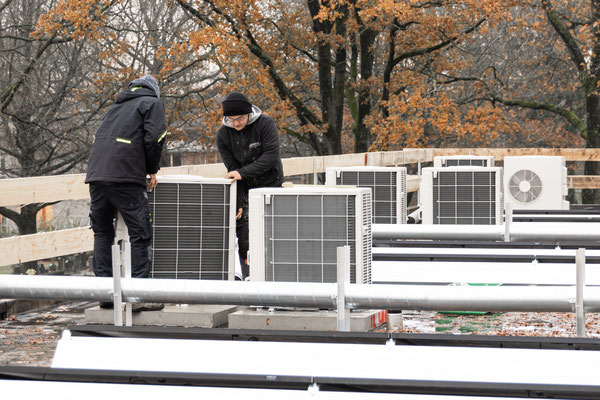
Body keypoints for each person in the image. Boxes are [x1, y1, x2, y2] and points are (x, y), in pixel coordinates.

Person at [85, 75, 167, 311]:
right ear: (154, 90)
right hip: (125, 176)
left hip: (97, 175)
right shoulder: (152, 103)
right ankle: (139, 297)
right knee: (140, 234)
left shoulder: (115, 108)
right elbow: (155, 138)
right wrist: (151, 169)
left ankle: (105, 295)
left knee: (102, 232)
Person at [216, 92, 284, 280]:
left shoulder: (265, 124)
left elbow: (271, 157)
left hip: (271, 183)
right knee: (244, 231)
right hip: (246, 188)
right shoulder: (223, 135)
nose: (236, 124)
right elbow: (233, 170)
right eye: (231, 119)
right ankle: (249, 274)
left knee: (272, 232)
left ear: (249, 114)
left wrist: (242, 173)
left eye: (240, 119)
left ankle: (274, 274)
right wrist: (237, 201)